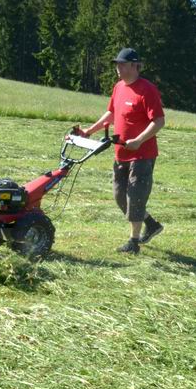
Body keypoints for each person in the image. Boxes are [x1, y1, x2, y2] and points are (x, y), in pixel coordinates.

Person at [73, 48, 165, 254]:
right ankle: (151, 224)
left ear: (135, 66)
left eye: (122, 64)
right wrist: (88, 131)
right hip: (121, 153)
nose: (118, 68)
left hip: (142, 154)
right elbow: (111, 114)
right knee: (119, 196)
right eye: (117, 64)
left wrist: (139, 140)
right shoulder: (118, 87)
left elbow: (159, 121)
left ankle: (133, 242)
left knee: (136, 196)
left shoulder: (147, 89)